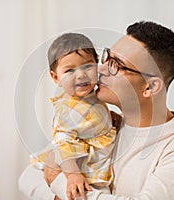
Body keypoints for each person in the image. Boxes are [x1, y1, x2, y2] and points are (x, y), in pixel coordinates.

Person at [19, 21, 174, 200]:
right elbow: (29, 175)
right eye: (106, 57)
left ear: (150, 87)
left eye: (117, 65)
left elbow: (50, 173)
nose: (101, 69)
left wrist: (58, 182)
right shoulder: (104, 125)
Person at [30, 33, 119, 200]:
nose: (81, 75)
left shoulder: (91, 95)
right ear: (55, 77)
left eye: (87, 66)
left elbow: (92, 118)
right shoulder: (67, 111)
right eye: (70, 70)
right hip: (83, 173)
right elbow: (63, 144)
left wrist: (110, 118)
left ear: (97, 64)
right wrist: (72, 175)